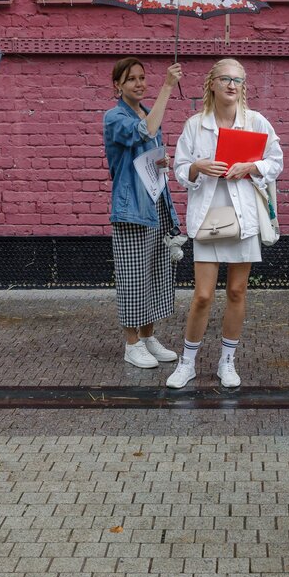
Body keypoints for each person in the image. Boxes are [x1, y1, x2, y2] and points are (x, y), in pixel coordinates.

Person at [166, 58, 284, 389]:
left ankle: (227, 361)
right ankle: (187, 362)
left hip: (243, 218)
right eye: (225, 79)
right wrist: (198, 167)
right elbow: (180, 169)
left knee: (236, 291)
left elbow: (276, 162)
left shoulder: (256, 122)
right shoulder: (195, 125)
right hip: (208, 219)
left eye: (238, 80)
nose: (232, 85)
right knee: (203, 295)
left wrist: (250, 167)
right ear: (212, 84)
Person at [103, 57, 185, 369]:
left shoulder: (149, 111)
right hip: (131, 210)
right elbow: (145, 131)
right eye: (131, 79)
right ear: (118, 86)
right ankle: (131, 343)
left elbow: (148, 149)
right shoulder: (114, 117)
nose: (139, 83)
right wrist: (168, 86)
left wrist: (160, 162)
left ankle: (148, 337)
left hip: (155, 204)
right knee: (132, 277)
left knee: (154, 273)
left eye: (141, 77)